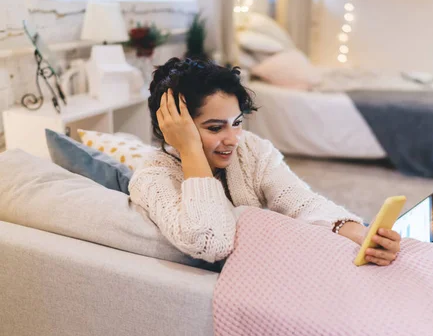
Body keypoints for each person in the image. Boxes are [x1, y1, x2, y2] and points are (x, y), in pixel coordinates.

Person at [129, 57, 400, 265]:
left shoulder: (250, 148)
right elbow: (210, 242)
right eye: (214, 128)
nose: (233, 138)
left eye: (236, 123)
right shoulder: (152, 178)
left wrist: (357, 232)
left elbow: (300, 200)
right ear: (174, 128)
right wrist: (190, 150)